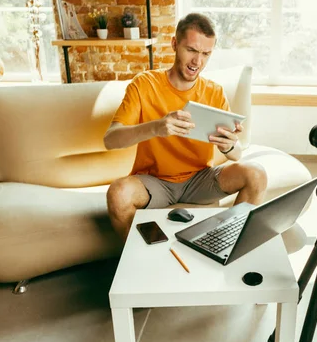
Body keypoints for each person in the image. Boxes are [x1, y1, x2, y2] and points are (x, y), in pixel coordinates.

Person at [104, 13, 267, 241]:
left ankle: (226, 244)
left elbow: (236, 154)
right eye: (191, 50)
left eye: (205, 54)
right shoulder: (144, 84)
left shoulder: (214, 92)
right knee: (118, 193)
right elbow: (110, 139)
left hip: (199, 179)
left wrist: (229, 146)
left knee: (257, 174)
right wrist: (156, 128)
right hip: (154, 182)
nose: (197, 62)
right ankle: (144, 262)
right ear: (174, 44)